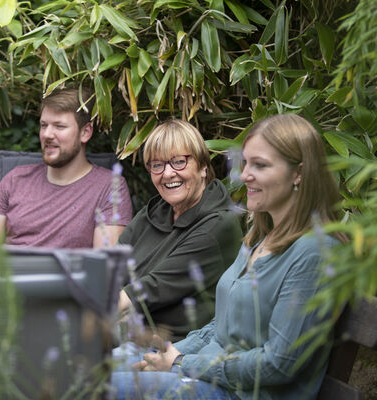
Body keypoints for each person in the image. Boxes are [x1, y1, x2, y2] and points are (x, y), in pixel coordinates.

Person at [109, 114, 346, 400]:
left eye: (260, 165)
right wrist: (172, 354)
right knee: (76, 372)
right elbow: (219, 327)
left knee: (94, 386)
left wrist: (183, 363)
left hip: (240, 393)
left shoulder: (313, 252)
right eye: (246, 163)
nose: (244, 175)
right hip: (203, 375)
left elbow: (278, 364)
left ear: (299, 173)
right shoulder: (258, 239)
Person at [117, 119, 242, 342]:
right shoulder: (155, 211)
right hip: (126, 335)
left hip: (175, 352)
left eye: (178, 162)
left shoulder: (217, 225)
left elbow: (149, 290)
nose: (167, 173)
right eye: (157, 165)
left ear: (203, 167)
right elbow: (111, 266)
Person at [0, 88, 132, 248]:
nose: (47, 134)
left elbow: (106, 264)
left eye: (59, 126)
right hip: (12, 272)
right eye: (43, 125)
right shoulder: (15, 179)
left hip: (69, 272)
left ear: (85, 132)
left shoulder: (110, 187)